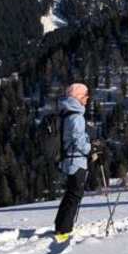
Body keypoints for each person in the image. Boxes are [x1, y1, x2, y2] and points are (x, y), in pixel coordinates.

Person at [53, 83, 93, 243]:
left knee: (70, 194)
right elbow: (78, 140)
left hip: (68, 160)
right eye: (84, 96)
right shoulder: (76, 116)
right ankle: (63, 230)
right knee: (74, 195)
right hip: (76, 161)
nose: (87, 99)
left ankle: (61, 226)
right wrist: (90, 149)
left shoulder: (66, 113)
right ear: (77, 97)